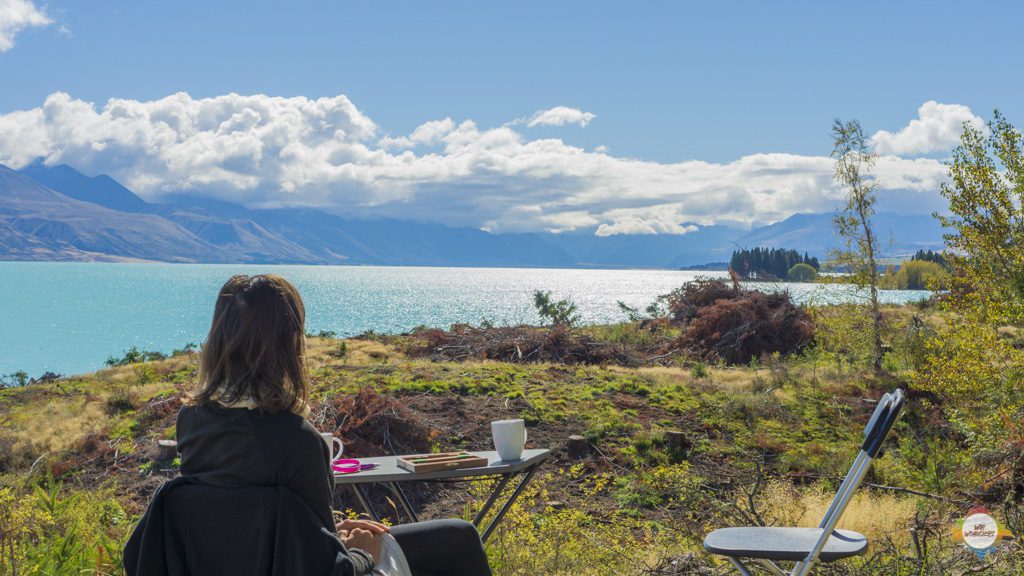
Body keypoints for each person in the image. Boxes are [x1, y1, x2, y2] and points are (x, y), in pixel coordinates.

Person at [125, 274, 491, 576]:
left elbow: (242, 521)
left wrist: (332, 531)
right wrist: (360, 551)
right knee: (458, 538)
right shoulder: (296, 440)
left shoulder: (193, 421)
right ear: (290, 344)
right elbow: (323, 568)